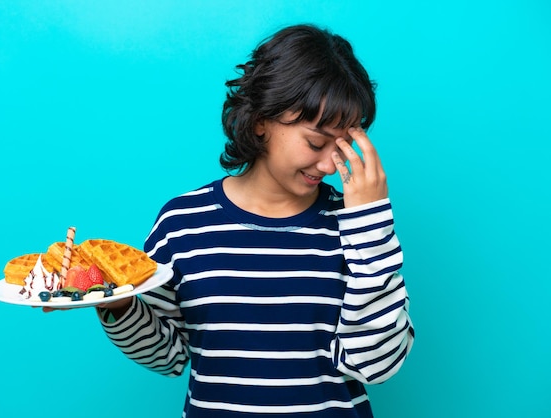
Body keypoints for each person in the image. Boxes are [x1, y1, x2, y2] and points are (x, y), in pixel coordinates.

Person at [97, 24, 414, 417]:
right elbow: (168, 355)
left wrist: (370, 224)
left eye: (343, 145)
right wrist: (118, 306)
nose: (330, 164)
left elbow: (377, 365)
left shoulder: (356, 227)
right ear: (261, 119)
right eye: (316, 142)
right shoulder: (181, 224)